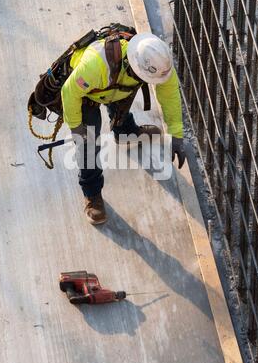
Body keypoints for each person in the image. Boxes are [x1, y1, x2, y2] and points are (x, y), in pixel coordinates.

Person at [61, 32, 185, 224]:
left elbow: (169, 94)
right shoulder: (95, 66)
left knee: (121, 94)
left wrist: (176, 134)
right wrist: (77, 128)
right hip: (86, 95)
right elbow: (69, 92)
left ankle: (125, 133)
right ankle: (92, 193)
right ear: (136, 66)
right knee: (88, 143)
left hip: (111, 86)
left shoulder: (158, 62)